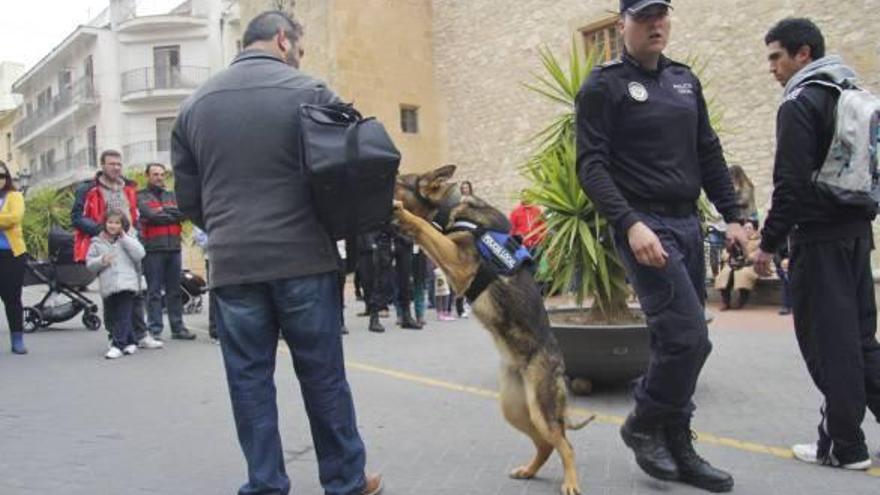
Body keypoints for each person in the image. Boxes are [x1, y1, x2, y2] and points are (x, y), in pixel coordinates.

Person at [172, 11, 380, 495]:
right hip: (304, 259)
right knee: (323, 376)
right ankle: (346, 481)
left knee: (248, 382)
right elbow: (347, 171)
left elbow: (189, 201)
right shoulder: (310, 91)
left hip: (234, 266)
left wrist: (228, 230)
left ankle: (265, 483)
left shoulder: (194, 106)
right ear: (283, 40)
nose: (298, 59)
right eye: (299, 50)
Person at [576, 1, 748, 491]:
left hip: (687, 224)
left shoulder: (684, 81)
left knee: (682, 340)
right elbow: (591, 166)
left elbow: (708, 151)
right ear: (621, 25)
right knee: (689, 336)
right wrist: (629, 224)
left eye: (662, 15)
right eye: (644, 17)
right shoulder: (602, 86)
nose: (656, 25)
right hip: (645, 227)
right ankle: (643, 423)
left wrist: (734, 216)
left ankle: (679, 445)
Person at [753, 17, 880, 470]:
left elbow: (790, 186)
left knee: (832, 346)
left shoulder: (799, 104)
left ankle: (844, 447)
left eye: (776, 57)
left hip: (819, 241)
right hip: (856, 235)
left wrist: (766, 245)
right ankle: (845, 439)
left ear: (802, 53)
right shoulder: (848, 93)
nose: (772, 68)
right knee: (862, 341)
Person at [72, 150, 163, 350]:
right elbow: (77, 217)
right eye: (111, 163)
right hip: (105, 244)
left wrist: (135, 231)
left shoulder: (128, 187)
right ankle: (115, 335)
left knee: (136, 291)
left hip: (128, 242)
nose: (116, 167)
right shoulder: (88, 189)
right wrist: (100, 231)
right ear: (102, 165)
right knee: (111, 292)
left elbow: (134, 213)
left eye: (119, 164)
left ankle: (140, 335)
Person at [137, 162, 195, 341]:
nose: (159, 177)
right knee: (154, 292)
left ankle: (178, 328)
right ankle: (155, 329)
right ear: (147, 176)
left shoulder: (172, 195)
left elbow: (185, 214)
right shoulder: (141, 196)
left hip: (174, 248)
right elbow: (151, 215)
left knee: (174, 291)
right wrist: (171, 214)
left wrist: (165, 212)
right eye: (155, 174)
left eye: (162, 174)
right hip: (153, 249)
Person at [85, 209, 146, 359]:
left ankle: (118, 345)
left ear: (122, 225)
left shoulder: (129, 239)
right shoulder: (97, 242)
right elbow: (90, 263)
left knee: (123, 314)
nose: (113, 226)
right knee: (111, 315)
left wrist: (125, 239)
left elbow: (140, 254)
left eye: (117, 223)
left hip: (127, 283)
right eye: (110, 222)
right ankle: (130, 341)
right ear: (104, 223)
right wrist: (101, 261)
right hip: (109, 284)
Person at [0, 161, 28, 354]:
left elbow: (14, 218)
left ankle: (17, 339)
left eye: (1, 176)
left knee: (12, 298)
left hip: (11, 254)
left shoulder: (15, 196)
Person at [713, 222, 761, 310]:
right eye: (745, 228)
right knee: (724, 275)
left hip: (748, 265)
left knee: (743, 275)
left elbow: (758, 254)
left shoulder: (757, 242)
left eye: (749, 228)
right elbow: (725, 252)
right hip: (733, 263)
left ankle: (741, 301)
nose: (747, 230)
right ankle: (725, 302)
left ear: (754, 230)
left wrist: (748, 257)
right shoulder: (736, 239)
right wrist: (729, 256)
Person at [192, 226, 218, 342]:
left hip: (236, 255)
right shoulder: (207, 209)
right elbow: (199, 235)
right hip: (214, 255)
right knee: (216, 291)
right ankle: (216, 330)